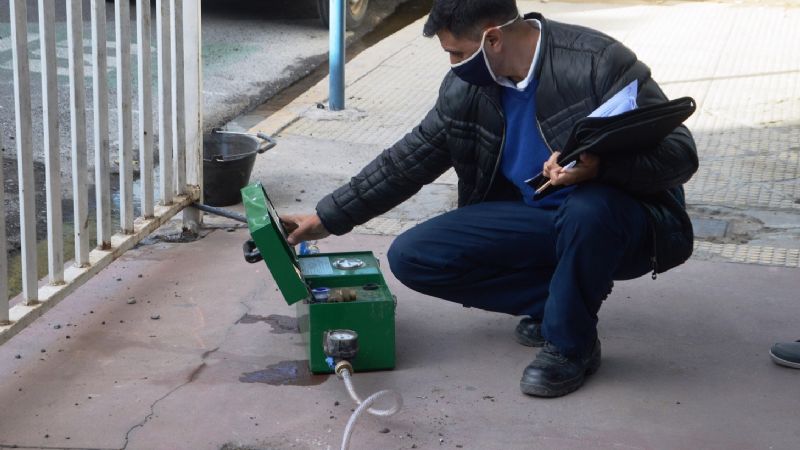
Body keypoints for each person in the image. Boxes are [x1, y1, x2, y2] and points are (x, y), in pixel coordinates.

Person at [281, 0, 698, 397]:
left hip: (623, 223)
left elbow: (680, 153)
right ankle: (562, 304)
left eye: (457, 52)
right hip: (535, 219)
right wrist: (324, 218)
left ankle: (571, 346)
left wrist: (601, 169)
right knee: (412, 256)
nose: (453, 63)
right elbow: (408, 160)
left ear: (493, 39)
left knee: (587, 209)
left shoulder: (596, 61)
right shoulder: (467, 87)